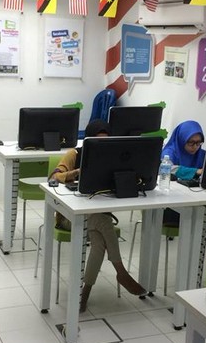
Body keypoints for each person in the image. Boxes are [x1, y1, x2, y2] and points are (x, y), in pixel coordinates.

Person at [50, 119, 146, 312]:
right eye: (98, 140)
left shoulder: (112, 158)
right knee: (104, 223)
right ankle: (121, 272)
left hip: (95, 217)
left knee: (99, 242)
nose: (103, 144)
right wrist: (77, 172)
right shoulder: (75, 154)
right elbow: (54, 177)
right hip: (69, 217)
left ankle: (84, 293)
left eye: (106, 140)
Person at [160, 121, 206, 226]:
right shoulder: (169, 153)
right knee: (193, 214)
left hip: (197, 200)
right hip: (172, 203)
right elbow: (169, 168)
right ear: (182, 139)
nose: (195, 147)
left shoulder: (201, 154)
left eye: (199, 143)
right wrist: (196, 171)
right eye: (191, 142)